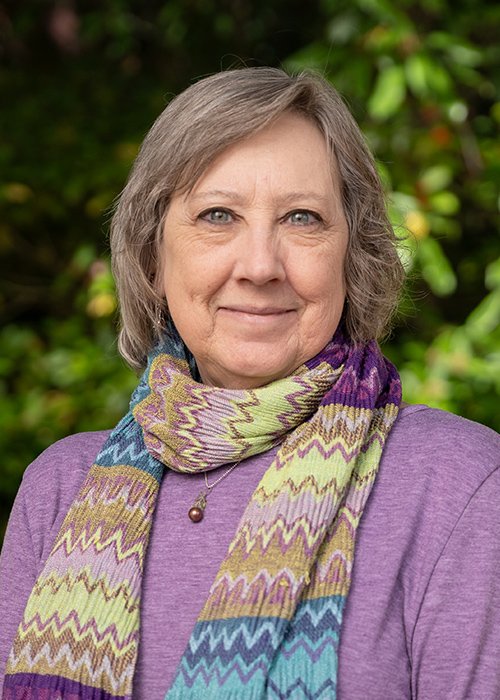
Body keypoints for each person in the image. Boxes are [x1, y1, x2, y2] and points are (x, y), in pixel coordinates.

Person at [0, 67, 498, 700]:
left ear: (354, 252)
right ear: (153, 256)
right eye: (217, 215)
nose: (260, 265)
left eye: (301, 218)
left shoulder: (457, 485)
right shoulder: (59, 490)